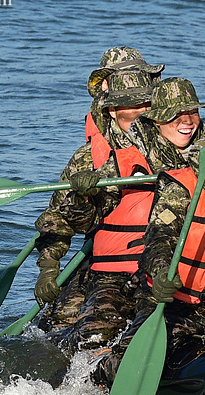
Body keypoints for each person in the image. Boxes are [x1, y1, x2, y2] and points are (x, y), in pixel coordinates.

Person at [91, 129, 205, 387]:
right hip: (171, 303)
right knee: (131, 366)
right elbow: (158, 239)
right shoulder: (182, 188)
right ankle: (97, 368)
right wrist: (160, 274)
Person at [54, 76, 205, 351]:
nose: (187, 121)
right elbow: (81, 220)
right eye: (176, 115)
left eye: (193, 112)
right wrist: (83, 195)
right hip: (121, 272)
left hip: (183, 274)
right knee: (94, 338)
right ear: (157, 119)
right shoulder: (125, 159)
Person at [34, 68, 160, 331]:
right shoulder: (88, 157)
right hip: (102, 259)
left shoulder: (176, 143)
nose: (140, 112)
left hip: (159, 262)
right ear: (112, 108)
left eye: (146, 103)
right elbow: (59, 218)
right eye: (131, 104)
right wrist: (48, 270)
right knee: (62, 322)